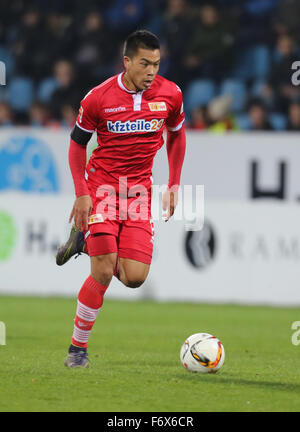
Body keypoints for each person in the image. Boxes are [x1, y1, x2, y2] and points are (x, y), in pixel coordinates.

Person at [58, 30, 186, 368]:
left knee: (134, 277)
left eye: (156, 64)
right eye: (144, 63)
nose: (151, 72)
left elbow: (176, 135)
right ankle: (77, 350)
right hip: (102, 189)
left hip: (140, 194)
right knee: (102, 269)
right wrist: (81, 193)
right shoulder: (98, 98)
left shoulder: (170, 95)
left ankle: (85, 242)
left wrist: (173, 184)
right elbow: (76, 146)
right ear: (126, 61)